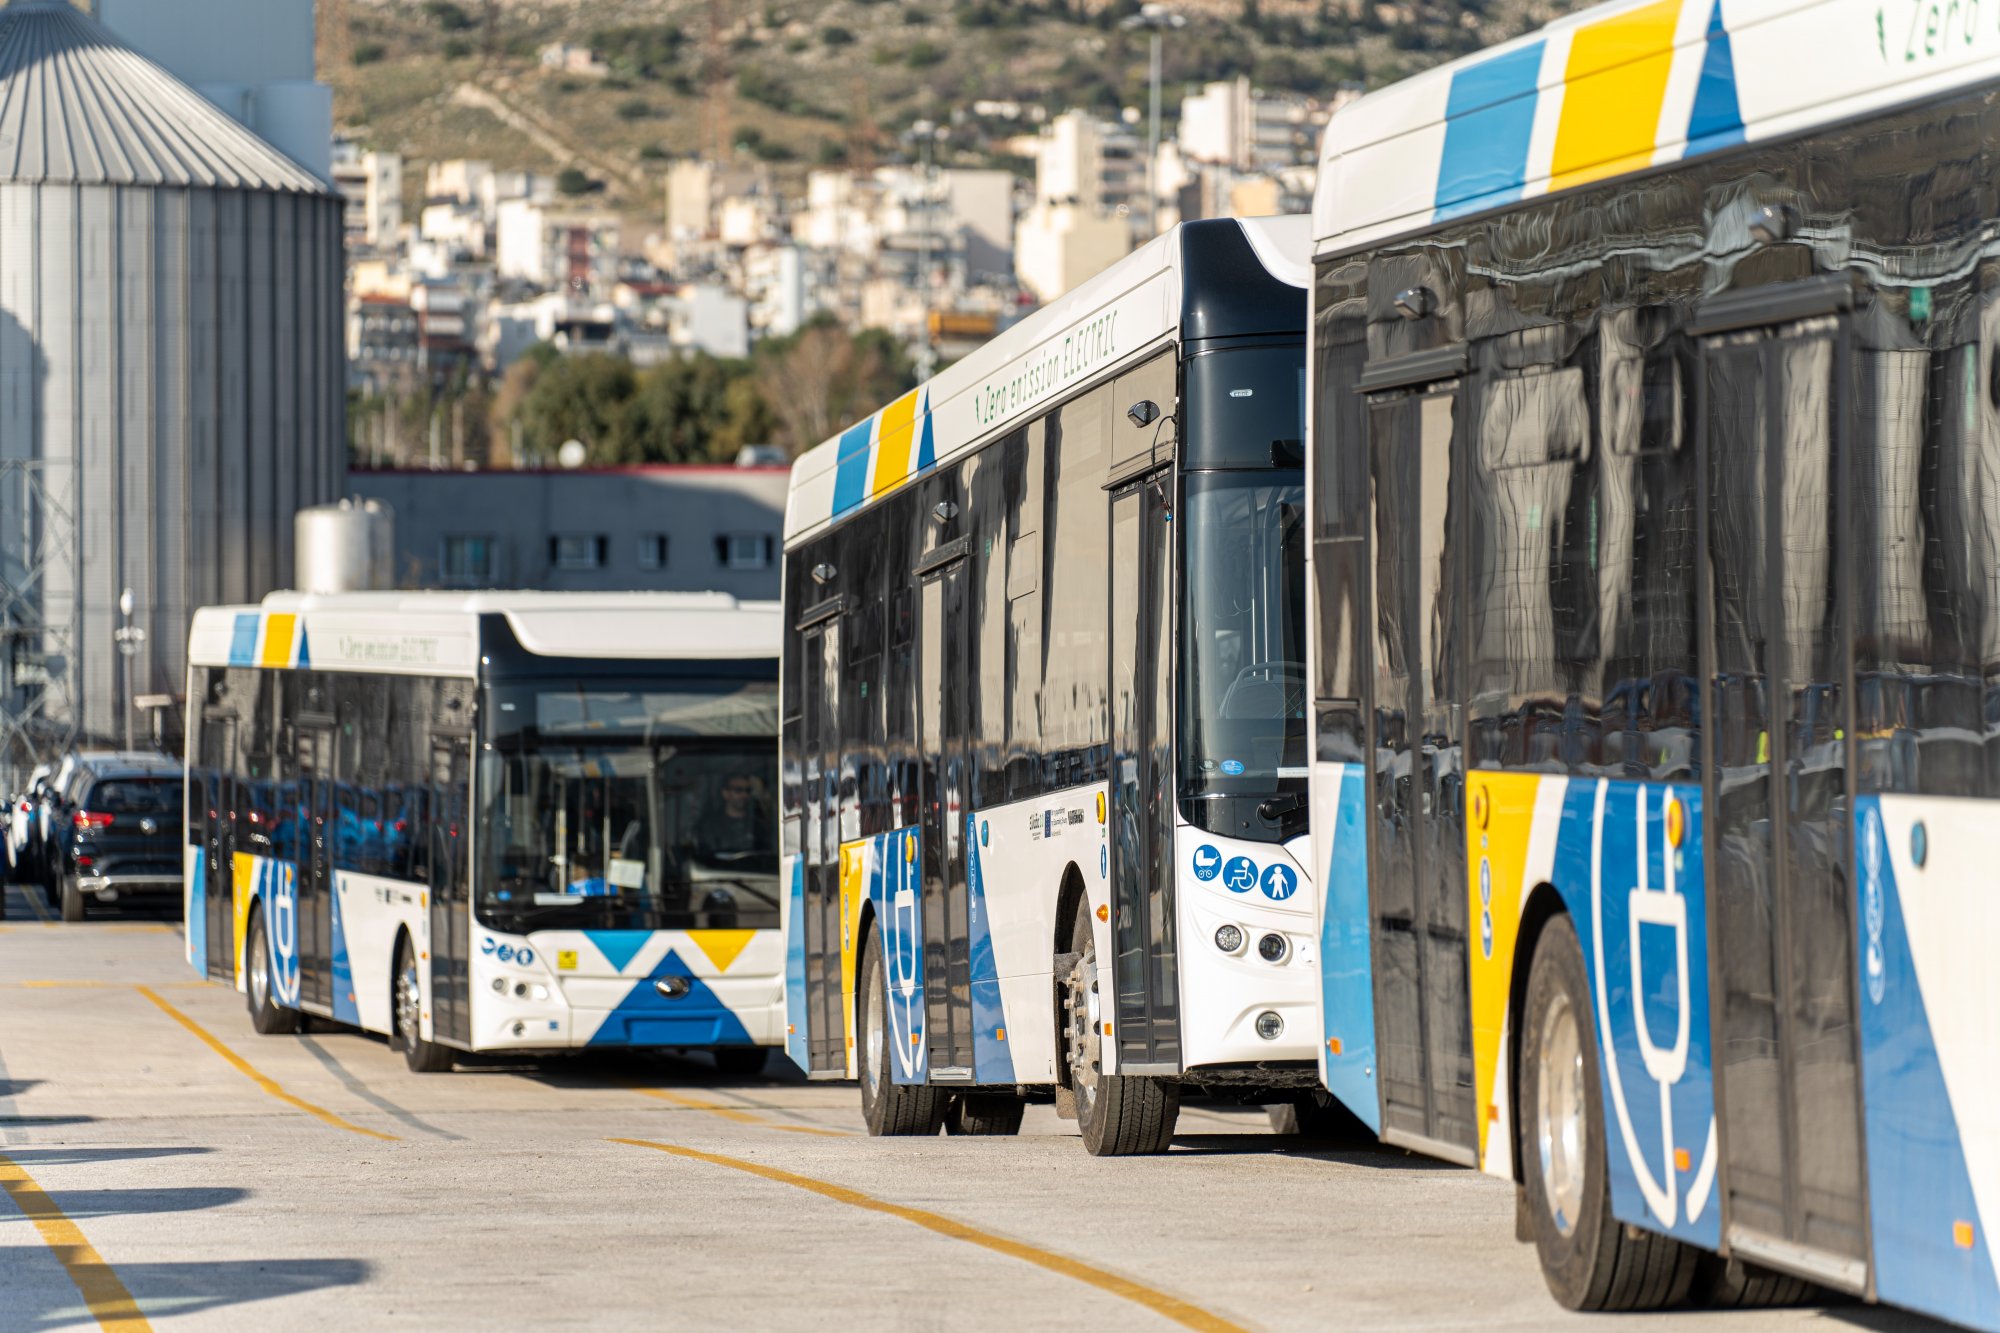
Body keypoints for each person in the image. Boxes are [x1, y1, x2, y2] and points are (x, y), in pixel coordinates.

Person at [693, 775, 771, 859]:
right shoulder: (709, 825)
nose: (744, 795)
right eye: (738, 790)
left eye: (748, 790)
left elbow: (764, 854)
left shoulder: (757, 825)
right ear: (725, 793)